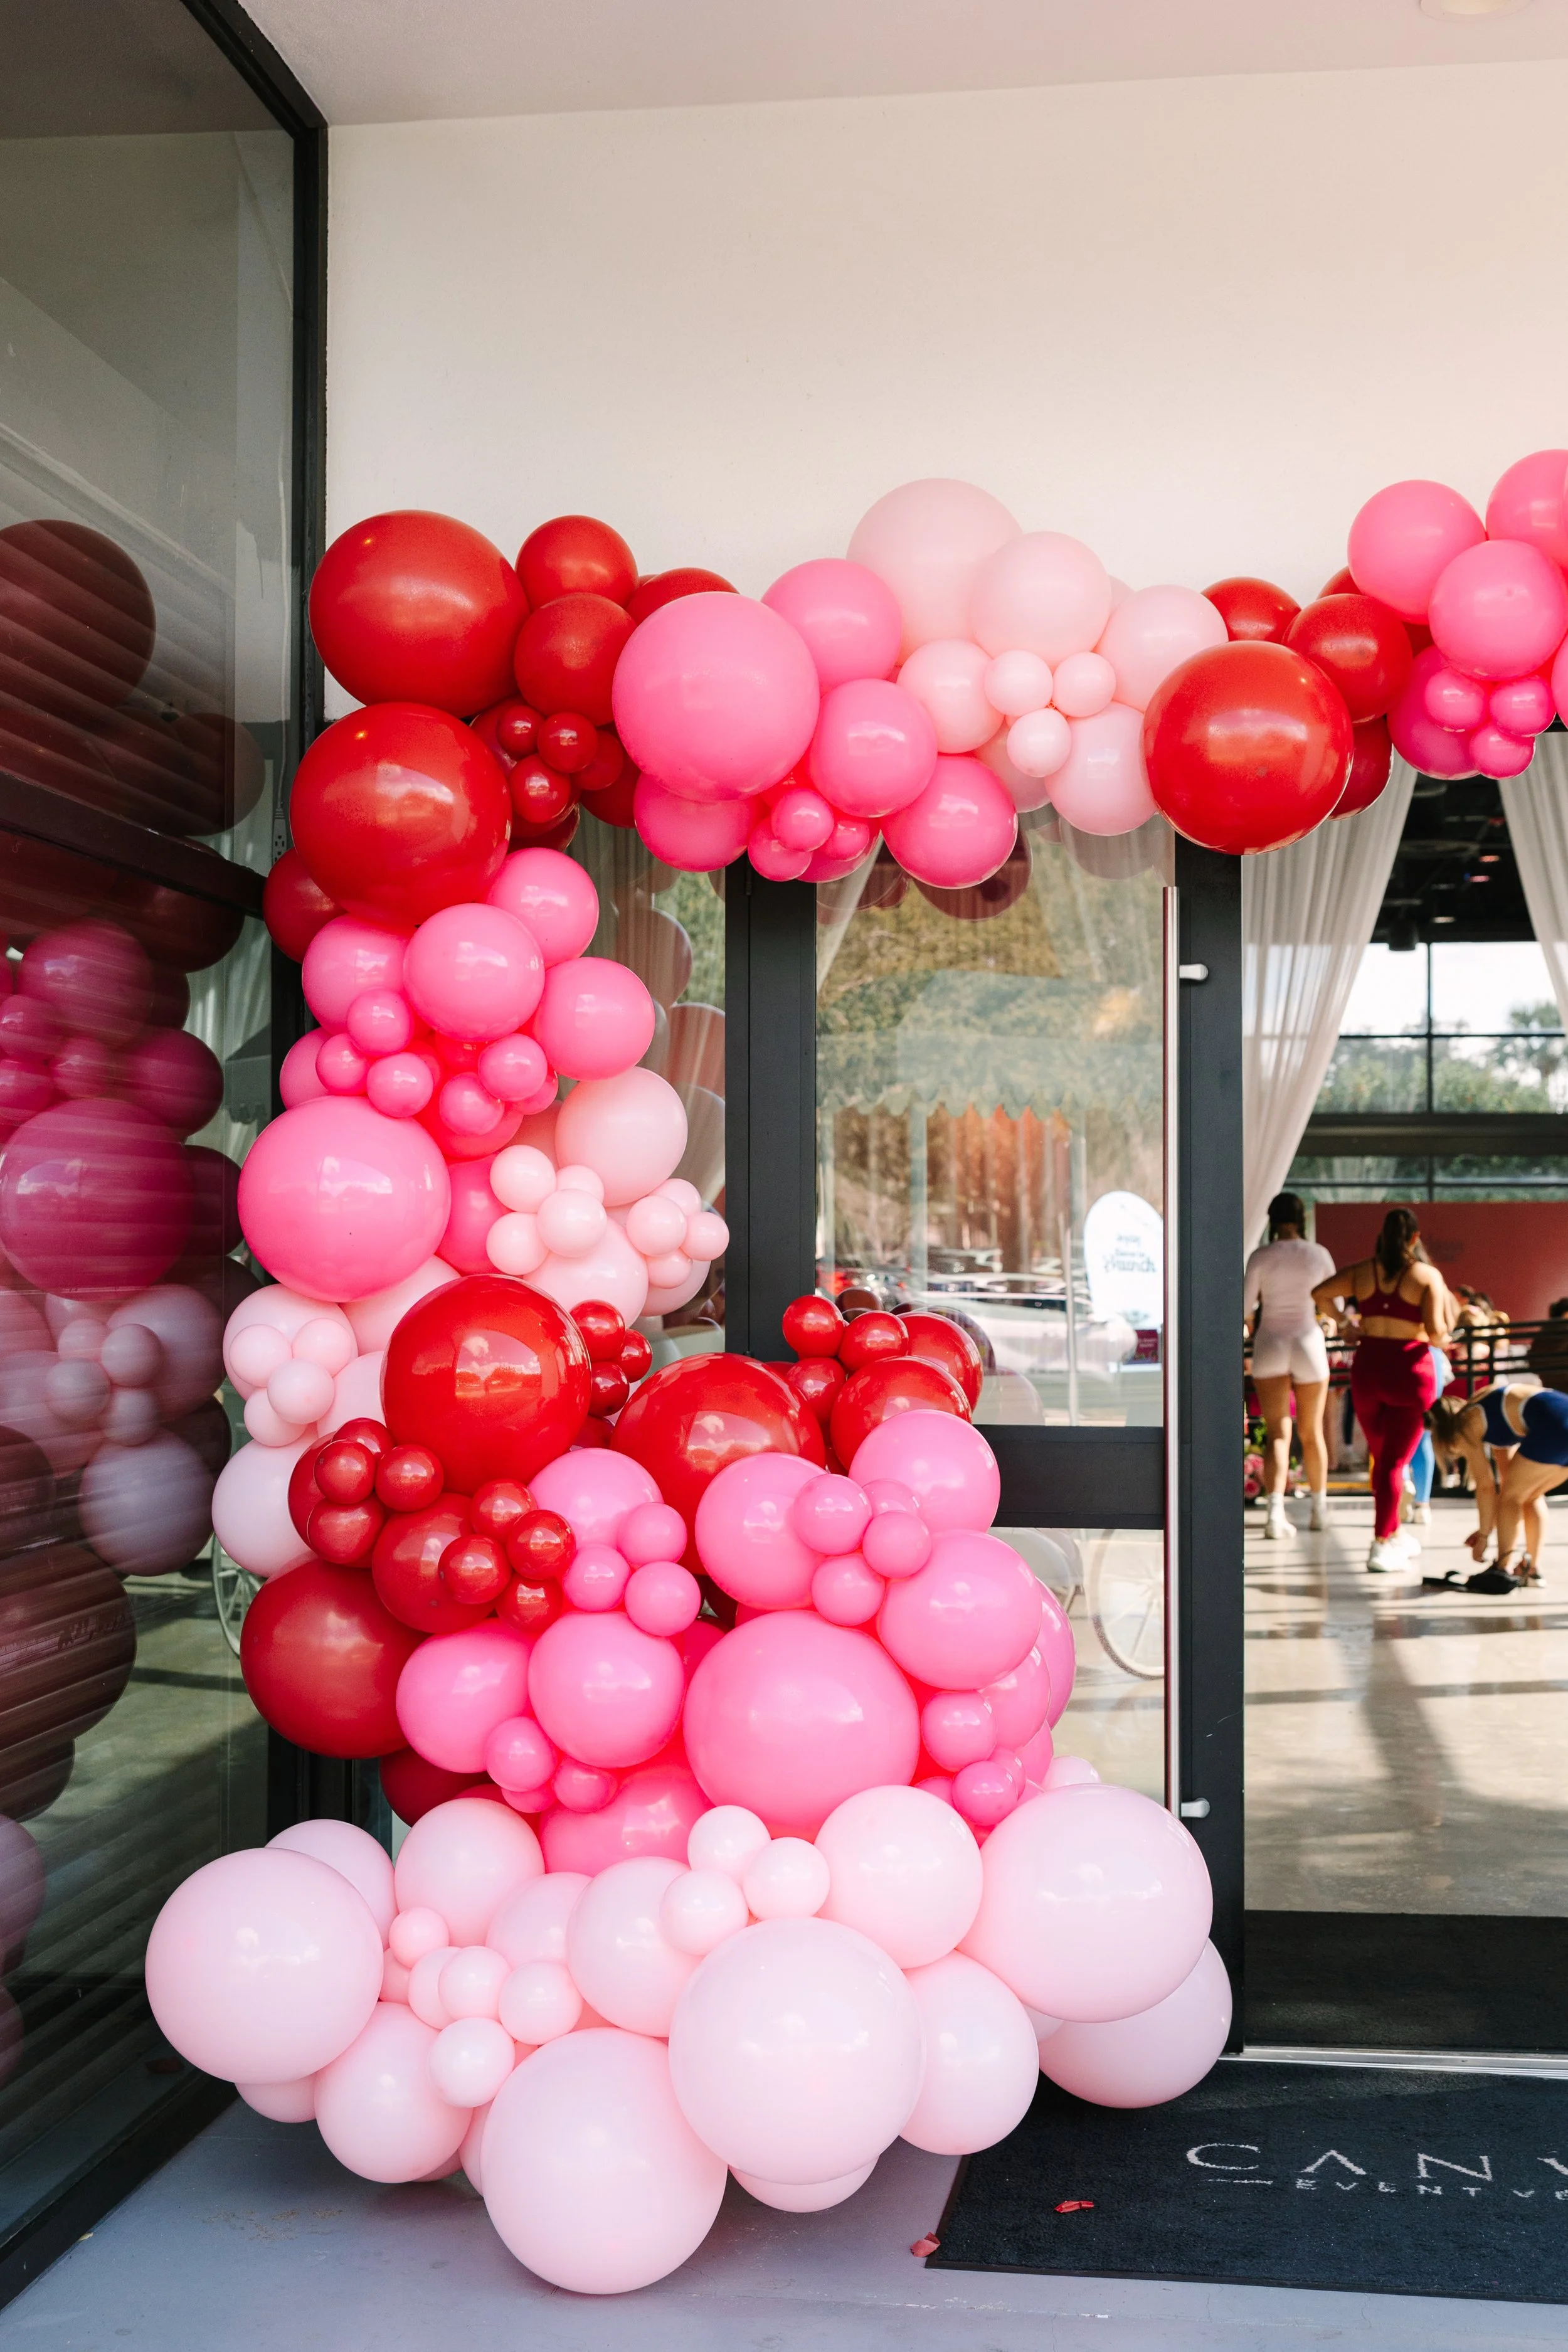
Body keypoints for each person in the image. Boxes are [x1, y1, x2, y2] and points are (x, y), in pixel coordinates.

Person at [1313, 1208, 1452, 1574]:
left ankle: (1394, 1532)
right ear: (1414, 1239)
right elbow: (1437, 1331)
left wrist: (1346, 1324)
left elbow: (1320, 1293)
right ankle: (1381, 1542)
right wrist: (1447, 1336)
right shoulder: (1426, 1276)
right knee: (1393, 1463)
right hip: (1411, 1373)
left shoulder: (1362, 1272)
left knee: (1383, 1459)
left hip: (1370, 1369)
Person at [1243, 1191, 1334, 1539]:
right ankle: (1319, 1510)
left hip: (1271, 1342)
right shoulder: (1318, 1254)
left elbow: (1246, 1305)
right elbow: (1334, 1300)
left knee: (1278, 1433)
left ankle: (1274, 1514)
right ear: (1302, 1219)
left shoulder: (1261, 1255)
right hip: (1309, 1341)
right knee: (1312, 1432)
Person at [1428, 1379, 1562, 1587]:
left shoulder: (1465, 1423)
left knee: (1513, 1496)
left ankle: (1503, 1569)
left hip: (1553, 1426)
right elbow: (1506, 1482)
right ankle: (1531, 1571)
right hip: (1560, 1417)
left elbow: (1486, 1486)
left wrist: (1483, 1536)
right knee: (1529, 1495)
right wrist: (1488, 1526)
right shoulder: (1492, 1411)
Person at [1528, 1298, 1568, 1388]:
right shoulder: (1564, 1333)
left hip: (1548, 1387)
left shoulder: (1543, 1333)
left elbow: (1533, 1365)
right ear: (1566, 1314)